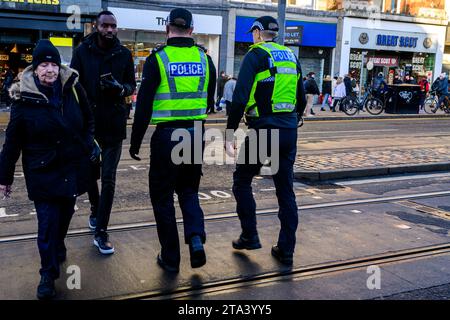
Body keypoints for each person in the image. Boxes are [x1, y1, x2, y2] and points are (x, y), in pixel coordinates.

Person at [0, 40, 95, 299]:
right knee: (47, 223)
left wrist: (87, 144)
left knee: (63, 217)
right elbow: (12, 141)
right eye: (44, 64)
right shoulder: (23, 98)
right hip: (41, 170)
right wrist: (5, 176)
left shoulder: (73, 88)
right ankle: (47, 274)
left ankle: (58, 245)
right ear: (35, 68)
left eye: (53, 64)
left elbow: (88, 120)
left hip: (70, 166)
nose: (50, 70)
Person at [129, 8, 217, 273]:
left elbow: (143, 106)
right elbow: (210, 100)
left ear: (167, 29)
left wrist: (135, 143)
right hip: (195, 134)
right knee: (189, 191)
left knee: (163, 198)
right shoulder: (205, 59)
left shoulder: (158, 59)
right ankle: (195, 238)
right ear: (191, 30)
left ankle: (170, 258)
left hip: (167, 137)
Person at [225, 16, 306, 266]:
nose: (253, 36)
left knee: (241, 181)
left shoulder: (255, 55)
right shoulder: (291, 56)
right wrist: (296, 117)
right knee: (285, 190)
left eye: (253, 32)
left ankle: (250, 235)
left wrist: (230, 131)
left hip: (262, 131)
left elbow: (239, 98)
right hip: (288, 130)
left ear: (259, 32)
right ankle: (286, 249)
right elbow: (301, 97)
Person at [70, 10, 136, 255]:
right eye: (106, 26)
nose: (110, 30)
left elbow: (131, 84)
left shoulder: (124, 54)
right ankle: (95, 210)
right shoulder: (81, 52)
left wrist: (120, 89)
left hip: (114, 126)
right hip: (88, 127)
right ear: (96, 27)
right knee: (89, 177)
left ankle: (101, 231)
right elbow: (72, 85)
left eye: (114, 26)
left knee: (108, 179)